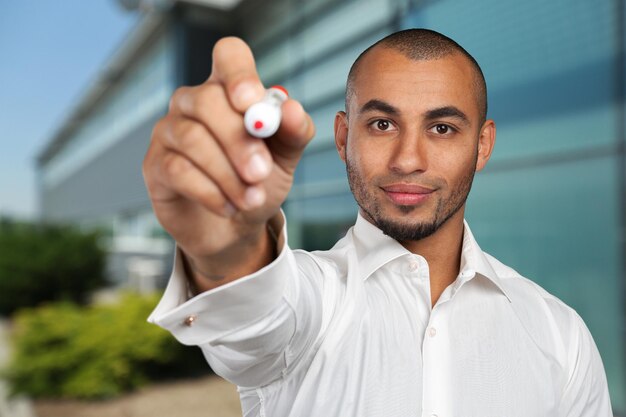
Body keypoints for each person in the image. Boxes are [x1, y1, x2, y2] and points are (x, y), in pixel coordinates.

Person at [143, 29, 613, 416]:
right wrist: (228, 246)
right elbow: (256, 315)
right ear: (344, 136)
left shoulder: (560, 335)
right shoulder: (313, 301)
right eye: (383, 124)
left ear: (483, 145)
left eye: (442, 128)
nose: (408, 159)